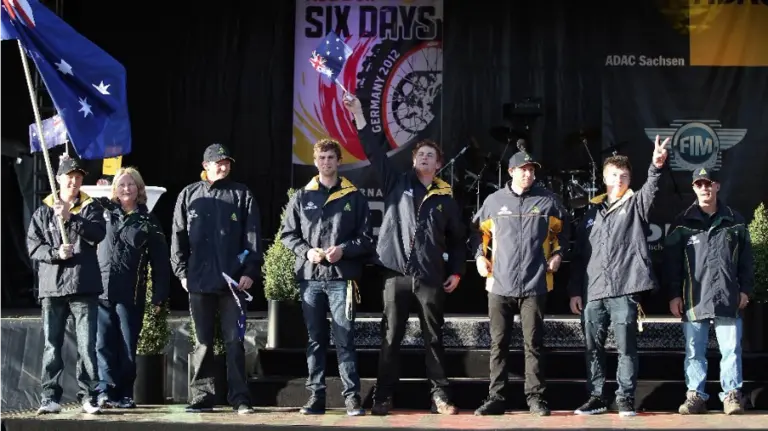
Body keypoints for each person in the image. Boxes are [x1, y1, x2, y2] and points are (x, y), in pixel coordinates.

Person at [342, 93, 466, 415]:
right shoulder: (395, 182)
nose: (425, 158)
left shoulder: (446, 199)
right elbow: (374, 151)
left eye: (431, 156)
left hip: (430, 277)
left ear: (439, 164)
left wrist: (456, 271)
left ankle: (441, 396)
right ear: (413, 161)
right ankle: (383, 395)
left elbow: (457, 241)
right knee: (390, 338)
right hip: (395, 274)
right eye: (420, 155)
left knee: (433, 339)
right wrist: (358, 113)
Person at [567, 136, 669, 417]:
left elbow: (651, 190)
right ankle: (597, 397)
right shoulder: (590, 212)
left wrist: (656, 167)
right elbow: (579, 256)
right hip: (593, 290)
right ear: (604, 177)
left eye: (624, 175)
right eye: (614, 174)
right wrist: (576, 290)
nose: (620, 179)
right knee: (593, 348)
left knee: (626, 348)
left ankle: (625, 397)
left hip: (625, 287)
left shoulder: (636, 204)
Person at [471, 150, 569, 416]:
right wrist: (480, 257)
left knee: (533, 344)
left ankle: (536, 398)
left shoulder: (548, 201)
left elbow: (564, 233)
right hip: (499, 284)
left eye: (532, 170)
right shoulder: (493, 201)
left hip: (535, 283)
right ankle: (496, 397)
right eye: (523, 169)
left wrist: (559, 255)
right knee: (498, 344)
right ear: (511, 172)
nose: (528, 174)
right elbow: (478, 234)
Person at [281, 138, 374, 416]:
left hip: (341, 279)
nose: (326, 162)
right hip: (310, 279)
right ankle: (316, 397)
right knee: (315, 340)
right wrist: (306, 252)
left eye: (331, 158)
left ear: (339, 161)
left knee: (344, 339)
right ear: (315, 162)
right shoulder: (302, 196)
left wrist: (344, 250)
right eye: (321, 158)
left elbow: (367, 240)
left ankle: (351, 398)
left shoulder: (354, 197)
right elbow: (288, 235)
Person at [171, 143, 262, 414]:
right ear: (205, 166)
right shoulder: (189, 195)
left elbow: (253, 237)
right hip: (199, 282)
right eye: (218, 162)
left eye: (227, 162)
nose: (223, 166)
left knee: (235, 341)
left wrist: (248, 272)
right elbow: (177, 237)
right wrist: (182, 273)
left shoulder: (242, 194)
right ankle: (202, 397)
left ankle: (240, 398)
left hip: (233, 285)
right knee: (202, 342)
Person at [664, 168, 753, 415]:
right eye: (699, 184)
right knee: (694, 351)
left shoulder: (735, 220)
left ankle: (732, 395)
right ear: (694, 188)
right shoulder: (682, 222)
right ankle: (695, 396)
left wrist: (745, 289)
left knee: (731, 350)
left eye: (709, 183)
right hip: (694, 297)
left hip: (728, 295)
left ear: (717, 186)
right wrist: (674, 295)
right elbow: (671, 264)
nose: (704, 188)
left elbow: (747, 261)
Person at [27, 155, 106, 415]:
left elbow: (98, 234)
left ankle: (89, 396)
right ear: (58, 179)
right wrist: (55, 253)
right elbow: (33, 247)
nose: (74, 181)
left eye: (78, 177)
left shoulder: (90, 208)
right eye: (69, 177)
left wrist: (70, 218)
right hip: (53, 288)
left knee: (87, 345)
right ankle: (50, 397)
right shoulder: (43, 211)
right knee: (52, 345)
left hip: (84, 286)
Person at [93, 167, 171, 408]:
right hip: (102, 291)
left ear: (139, 189)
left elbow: (160, 262)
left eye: (131, 184)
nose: (126, 188)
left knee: (127, 345)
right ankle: (106, 391)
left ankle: (125, 393)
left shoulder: (148, 221)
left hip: (131, 293)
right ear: (114, 189)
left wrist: (159, 295)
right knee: (103, 344)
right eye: (121, 184)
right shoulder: (102, 212)